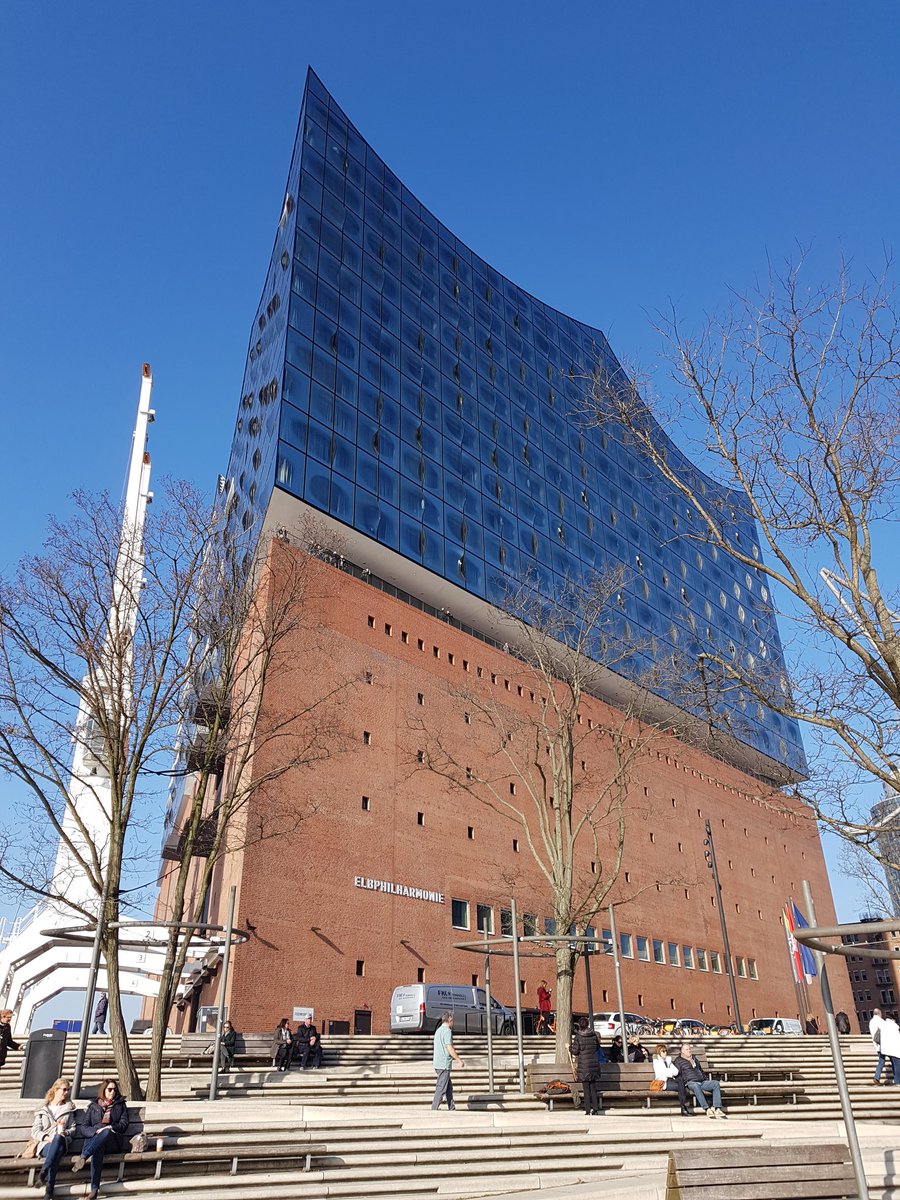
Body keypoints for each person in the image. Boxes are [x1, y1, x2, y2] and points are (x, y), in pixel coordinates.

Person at [72, 1078, 129, 1199]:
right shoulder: (93, 1106)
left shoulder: (120, 1105)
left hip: (112, 1141)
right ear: (103, 1090)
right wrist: (95, 1131)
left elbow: (124, 1125)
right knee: (98, 1146)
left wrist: (110, 1127)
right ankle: (94, 1190)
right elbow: (84, 1127)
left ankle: (84, 1156)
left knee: (106, 1133)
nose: (112, 1092)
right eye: (109, 1089)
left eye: (114, 1089)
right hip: (96, 1139)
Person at [30, 1077, 76, 1199]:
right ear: (56, 1090)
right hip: (46, 1144)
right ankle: (49, 1189)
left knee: (58, 1141)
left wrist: (65, 1133)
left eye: (68, 1090)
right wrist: (46, 1137)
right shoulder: (43, 1109)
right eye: (64, 1090)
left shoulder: (69, 1109)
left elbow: (73, 1129)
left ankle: (44, 1171)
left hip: (62, 1140)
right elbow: (35, 1131)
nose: (66, 1093)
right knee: (57, 1151)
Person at [673, 1042, 726, 1119]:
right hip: (690, 1082)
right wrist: (684, 1082)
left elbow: (701, 1070)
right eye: (687, 1049)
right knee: (695, 1086)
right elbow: (677, 1073)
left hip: (701, 1081)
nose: (689, 1051)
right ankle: (707, 1109)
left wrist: (705, 1079)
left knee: (715, 1083)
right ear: (682, 1051)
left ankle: (717, 1108)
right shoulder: (678, 1060)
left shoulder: (694, 1058)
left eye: (689, 1049)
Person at [432, 1011, 464, 1110]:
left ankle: (452, 1107)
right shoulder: (447, 1031)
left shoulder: (438, 1031)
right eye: (452, 1020)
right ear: (449, 1020)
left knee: (448, 1088)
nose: (453, 1022)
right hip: (444, 1064)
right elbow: (449, 1048)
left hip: (438, 1063)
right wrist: (458, 1059)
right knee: (441, 1088)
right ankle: (434, 1108)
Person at [571, 1016, 603, 1115]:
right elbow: (597, 1047)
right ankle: (596, 1109)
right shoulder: (594, 1035)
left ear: (580, 1025)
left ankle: (588, 1109)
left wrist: (569, 1048)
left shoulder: (578, 1036)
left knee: (586, 1089)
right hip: (593, 1063)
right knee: (593, 1088)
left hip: (584, 1065)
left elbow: (575, 1051)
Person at [652, 1043, 690, 1114]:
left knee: (680, 1080)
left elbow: (676, 1071)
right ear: (659, 1052)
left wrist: (669, 1071)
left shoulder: (668, 1060)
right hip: (663, 1083)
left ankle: (683, 1107)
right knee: (681, 1086)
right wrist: (670, 1072)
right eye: (663, 1051)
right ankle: (684, 1106)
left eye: (666, 1051)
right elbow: (663, 1072)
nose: (665, 1053)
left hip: (671, 1080)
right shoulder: (656, 1061)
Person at [875, 1013, 900, 1085]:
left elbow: (877, 1036)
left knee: (881, 1062)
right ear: (892, 1019)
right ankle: (897, 1081)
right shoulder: (895, 1027)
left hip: (883, 1048)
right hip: (893, 1050)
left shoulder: (882, 1025)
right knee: (896, 1065)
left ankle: (877, 1076)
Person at [869, 1008, 889, 1085]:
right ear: (879, 1013)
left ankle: (876, 1077)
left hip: (877, 1044)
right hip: (883, 1044)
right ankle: (876, 1077)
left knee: (882, 1061)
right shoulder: (880, 1021)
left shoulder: (871, 1021)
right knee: (893, 1060)